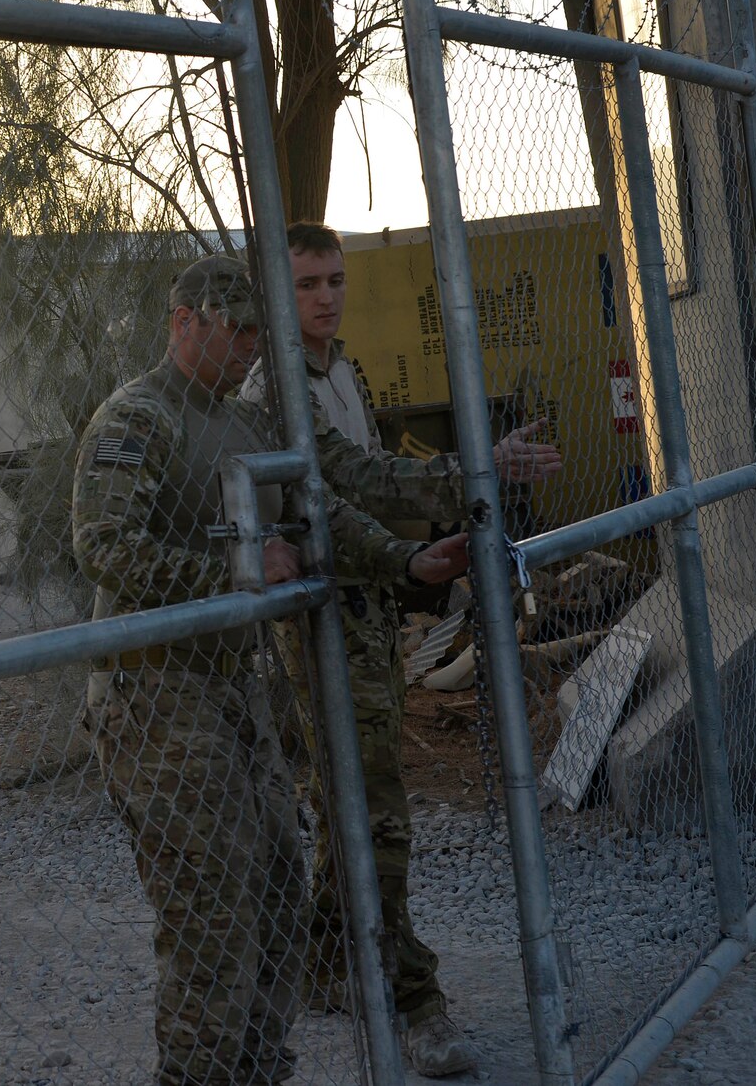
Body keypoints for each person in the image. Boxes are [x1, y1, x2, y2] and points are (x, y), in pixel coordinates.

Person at [71, 250, 473, 1086]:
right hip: (154, 696)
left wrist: (408, 563)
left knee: (281, 892)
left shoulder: (246, 424)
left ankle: (255, 1065)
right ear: (185, 323)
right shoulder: (136, 420)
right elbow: (105, 547)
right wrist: (238, 572)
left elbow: (318, 515)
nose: (255, 345)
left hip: (229, 688)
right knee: (211, 908)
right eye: (238, 330)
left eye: (260, 330)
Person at [235, 222, 563, 1078]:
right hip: (325, 619)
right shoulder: (279, 387)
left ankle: (325, 960)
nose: (327, 296)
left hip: (368, 605)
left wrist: (411, 559)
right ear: (279, 290)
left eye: (336, 279)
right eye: (308, 283)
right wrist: (475, 470)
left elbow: (365, 484)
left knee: (353, 802)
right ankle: (415, 998)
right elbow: (349, 482)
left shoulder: (344, 368)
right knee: (376, 811)